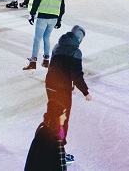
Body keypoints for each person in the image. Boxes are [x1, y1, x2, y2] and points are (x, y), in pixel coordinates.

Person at [45, 25, 90, 161]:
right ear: (80, 39)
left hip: (49, 85)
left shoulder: (57, 46)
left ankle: (48, 148)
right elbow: (77, 75)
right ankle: (60, 154)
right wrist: (85, 92)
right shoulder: (75, 52)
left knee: (52, 116)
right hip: (61, 89)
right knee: (62, 120)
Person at [25, 0, 65, 70]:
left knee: (37, 38)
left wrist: (32, 14)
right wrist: (59, 19)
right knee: (46, 37)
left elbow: (36, 0)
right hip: (54, 18)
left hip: (43, 16)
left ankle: (33, 61)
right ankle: (46, 60)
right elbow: (62, 4)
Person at [24, 101, 69, 171]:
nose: (65, 117)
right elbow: (58, 165)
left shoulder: (43, 128)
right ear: (56, 116)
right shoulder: (53, 137)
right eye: (63, 114)